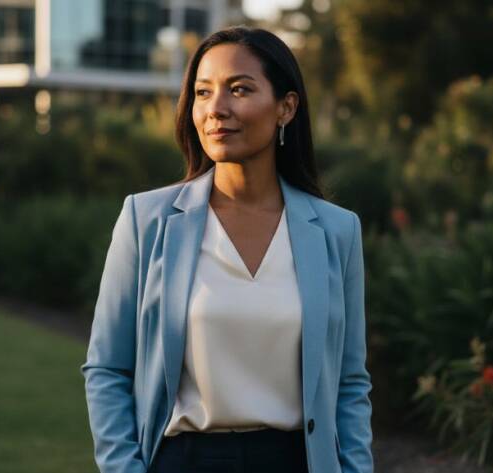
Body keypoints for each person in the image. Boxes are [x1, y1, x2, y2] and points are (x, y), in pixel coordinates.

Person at [81, 26, 373, 473]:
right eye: (202, 92)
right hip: (185, 460)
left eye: (239, 89)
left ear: (286, 107)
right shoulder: (147, 221)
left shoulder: (336, 231)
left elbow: (350, 383)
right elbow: (107, 369)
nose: (216, 109)